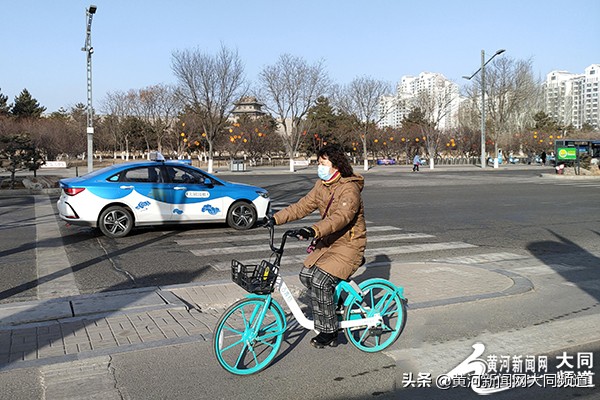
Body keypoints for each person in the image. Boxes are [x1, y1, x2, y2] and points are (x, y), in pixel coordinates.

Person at [266, 144, 366, 348]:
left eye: (323, 163)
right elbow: (302, 206)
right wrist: (274, 219)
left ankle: (330, 332)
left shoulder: (350, 189)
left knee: (320, 281)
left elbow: (341, 217)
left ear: (336, 165)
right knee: (306, 275)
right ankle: (333, 303)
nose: (319, 166)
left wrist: (313, 230)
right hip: (328, 242)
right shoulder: (322, 185)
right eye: (318, 162)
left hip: (349, 245)